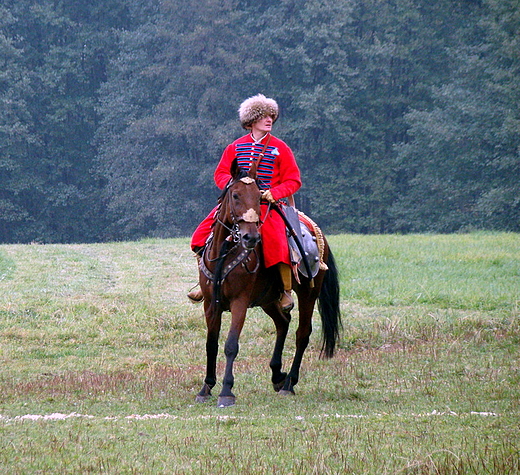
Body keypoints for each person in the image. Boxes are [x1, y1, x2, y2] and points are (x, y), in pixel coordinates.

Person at [188, 94, 301, 312]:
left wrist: (274, 193)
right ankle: (205, 284)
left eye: (271, 116)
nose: (269, 120)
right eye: (263, 116)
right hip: (237, 203)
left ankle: (285, 290)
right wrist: (233, 187)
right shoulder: (235, 147)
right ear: (251, 121)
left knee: (276, 239)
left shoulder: (280, 148)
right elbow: (220, 173)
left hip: (268, 205)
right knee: (200, 235)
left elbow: (293, 180)